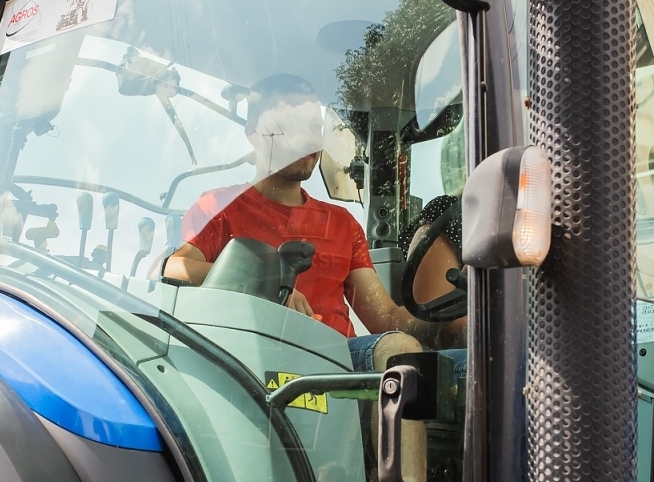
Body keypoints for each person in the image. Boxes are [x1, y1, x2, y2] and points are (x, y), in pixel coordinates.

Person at [164, 74, 462, 373]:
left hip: (337, 361)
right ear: (254, 133)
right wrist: (265, 283)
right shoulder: (219, 207)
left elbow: (385, 319)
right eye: (291, 125)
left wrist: (455, 311)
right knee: (400, 354)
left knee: (450, 364)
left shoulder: (342, 224)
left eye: (313, 127)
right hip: (254, 359)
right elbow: (174, 268)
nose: (308, 139)